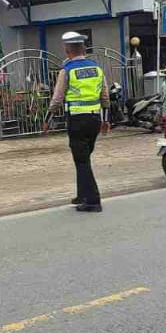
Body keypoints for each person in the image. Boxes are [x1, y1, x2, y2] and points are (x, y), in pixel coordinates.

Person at [45, 31, 110, 212]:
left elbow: (57, 99)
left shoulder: (67, 71)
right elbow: (105, 96)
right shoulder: (97, 68)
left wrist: (47, 119)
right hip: (95, 119)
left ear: (67, 50)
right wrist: (106, 120)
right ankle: (82, 194)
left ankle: (93, 201)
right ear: (83, 48)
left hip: (77, 120)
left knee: (81, 161)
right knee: (84, 158)